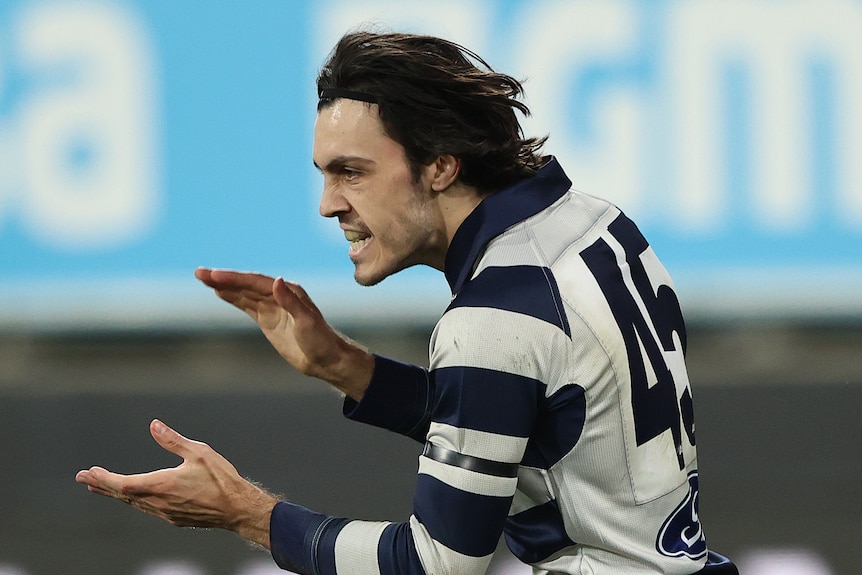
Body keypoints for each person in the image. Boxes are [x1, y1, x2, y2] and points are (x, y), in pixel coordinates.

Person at [75, 31, 737, 575]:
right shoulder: (595, 221)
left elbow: (435, 563)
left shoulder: (492, 317)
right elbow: (531, 416)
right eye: (325, 173)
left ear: (441, 165)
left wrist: (247, 511)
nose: (329, 203)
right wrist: (346, 367)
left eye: (351, 171)